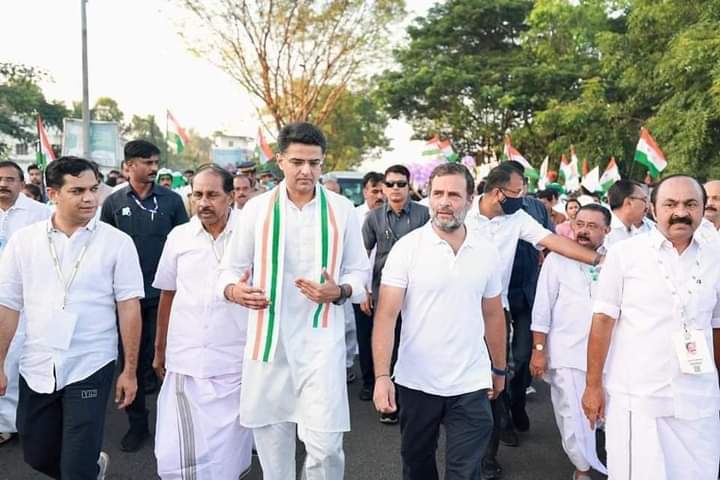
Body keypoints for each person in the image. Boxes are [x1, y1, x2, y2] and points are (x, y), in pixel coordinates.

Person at [219, 122, 370, 480]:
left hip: (322, 344)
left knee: (326, 446)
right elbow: (228, 271)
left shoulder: (341, 209)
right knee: (272, 445)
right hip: (269, 343)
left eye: (315, 163)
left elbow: (359, 274)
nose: (307, 171)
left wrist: (340, 291)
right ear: (281, 161)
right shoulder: (255, 210)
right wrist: (234, 291)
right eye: (298, 162)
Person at [0, 156, 143, 479]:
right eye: (77, 190)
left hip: (91, 362)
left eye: (94, 189)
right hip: (36, 362)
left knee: (76, 467)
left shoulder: (117, 243)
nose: (90, 198)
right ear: (52, 194)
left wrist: (130, 371)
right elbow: (8, 304)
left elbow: (129, 307)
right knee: (36, 454)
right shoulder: (25, 242)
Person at [465, 164, 603, 480]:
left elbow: (553, 242)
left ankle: (488, 454)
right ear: (498, 192)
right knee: (462, 383)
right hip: (454, 309)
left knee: (494, 376)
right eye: (517, 192)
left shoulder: (517, 218)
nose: (522, 197)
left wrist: (598, 258)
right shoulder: (463, 213)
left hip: (494, 311)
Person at [373, 163, 506, 480]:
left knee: (465, 471)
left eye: (454, 195)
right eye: (438, 194)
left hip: (471, 382)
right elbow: (386, 316)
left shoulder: (486, 251)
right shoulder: (408, 248)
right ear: (429, 197)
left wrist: (499, 368)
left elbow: (493, 314)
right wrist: (381, 376)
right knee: (417, 466)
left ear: (470, 199)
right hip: (417, 381)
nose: (445, 202)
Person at [582, 175, 720, 480]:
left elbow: (716, 325)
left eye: (690, 204)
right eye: (670, 204)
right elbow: (602, 322)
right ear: (653, 210)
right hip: (638, 399)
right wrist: (593, 386)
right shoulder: (625, 255)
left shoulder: (716, 257)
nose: (680, 212)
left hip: (698, 399)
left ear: (701, 209)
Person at [152, 164, 252, 479]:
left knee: (226, 457)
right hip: (185, 358)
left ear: (231, 196)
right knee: (174, 453)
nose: (203, 203)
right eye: (197, 195)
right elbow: (167, 294)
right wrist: (159, 349)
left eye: (212, 195)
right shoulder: (179, 236)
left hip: (234, 360)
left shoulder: (251, 237)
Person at [100, 140, 189, 452]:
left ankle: (175, 425)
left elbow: (187, 244)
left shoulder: (173, 201)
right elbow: (103, 247)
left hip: (166, 294)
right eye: (146, 162)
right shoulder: (112, 203)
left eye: (155, 162)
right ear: (128, 166)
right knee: (132, 363)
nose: (153, 168)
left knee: (167, 360)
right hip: (128, 298)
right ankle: (138, 426)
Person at [530, 204, 612, 480]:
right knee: (573, 417)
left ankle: (621, 465)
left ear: (607, 230)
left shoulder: (616, 261)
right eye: (580, 224)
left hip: (609, 354)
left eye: (592, 226)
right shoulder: (557, 260)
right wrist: (539, 351)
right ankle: (582, 468)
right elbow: (542, 309)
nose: (584, 231)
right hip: (566, 351)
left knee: (612, 414)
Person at [362, 164, 430, 424]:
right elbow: (361, 256)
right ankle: (388, 403)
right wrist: (365, 290)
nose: (395, 189)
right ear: (383, 187)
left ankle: (414, 402)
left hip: (419, 295)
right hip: (385, 294)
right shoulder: (374, 218)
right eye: (390, 184)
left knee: (412, 347)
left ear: (409, 186)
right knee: (387, 347)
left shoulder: (425, 215)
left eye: (401, 184)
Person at [0, 160, 51, 446]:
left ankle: (27, 422)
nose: (3, 184)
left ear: (21, 184)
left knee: (22, 359)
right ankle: (5, 423)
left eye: (10, 179)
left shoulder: (39, 214)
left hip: (28, 299)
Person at [354, 171, 385, 401]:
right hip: (362, 288)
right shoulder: (354, 217)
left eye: (382, 190)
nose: (379, 195)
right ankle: (369, 382)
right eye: (374, 190)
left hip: (388, 289)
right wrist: (362, 289)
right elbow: (354, 259)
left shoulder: (391, 216)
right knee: (365, 337)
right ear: (365, 191)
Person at [604, 179, 651, 248]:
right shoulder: (602, 228)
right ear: (629, 203)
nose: (647, 206)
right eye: (644, 200)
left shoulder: (650, 227)